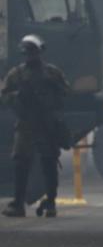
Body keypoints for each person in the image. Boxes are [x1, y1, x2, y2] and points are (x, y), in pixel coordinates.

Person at [2, 35, 70, 218]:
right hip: (26, 123)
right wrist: (18, 97)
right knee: (21, 162)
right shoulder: (16, 74)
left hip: (47, 122)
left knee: (49, 162)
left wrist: (52, 92)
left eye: (33, 52)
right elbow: (4, 95)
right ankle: (18, 203)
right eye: (28, 52)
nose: (31, 56)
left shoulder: (52, 73)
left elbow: (65, 93)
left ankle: (51, 202)